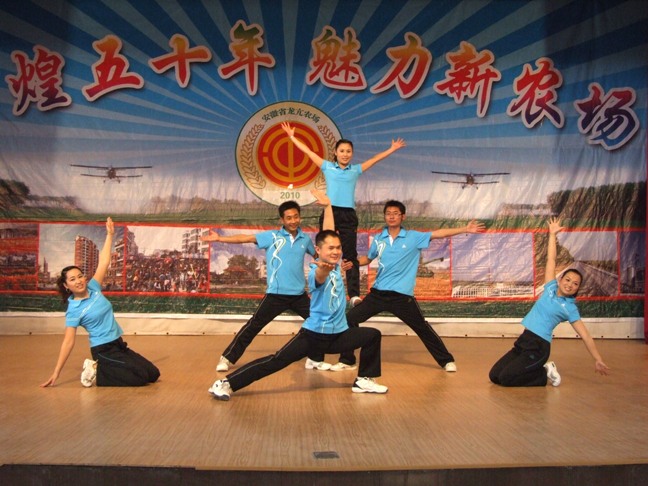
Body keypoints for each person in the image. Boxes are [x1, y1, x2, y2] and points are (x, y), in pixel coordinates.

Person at [208, 193, 388, 400]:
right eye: (331, 248)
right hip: (314, 336)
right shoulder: (317, 271)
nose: (336, 251)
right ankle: (226, 383)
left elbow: (328, 233)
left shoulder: (335, 264)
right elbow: (319, 275)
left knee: (372, 335)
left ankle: (364, 379)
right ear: (318, 251)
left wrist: (328, 206)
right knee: (276, 361)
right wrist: (323, 269)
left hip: (337, 335)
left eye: (338, 248)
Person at [330, 200, 485, 372]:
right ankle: (348, 360)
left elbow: (439, 234)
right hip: (378, 294)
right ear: (385, 216)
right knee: (349, 319)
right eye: (388, 213)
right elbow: (368, 258)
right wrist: (353, 263)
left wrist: (465, 229)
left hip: (402, 297)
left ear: (402, 217)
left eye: (395, 213)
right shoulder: (379, 239)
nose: (391, 216)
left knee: (422, 328)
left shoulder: (413, 237)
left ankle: (446, 360)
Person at [281, 121, 406, 307]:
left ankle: (354, 295)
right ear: (335, 152)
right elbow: (308, 152)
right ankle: (322, 289)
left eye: (348, 151)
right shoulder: (327, 167)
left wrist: (392, 148)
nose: (345, 154)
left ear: (352, 154)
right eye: (342, 151)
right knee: (325, 250)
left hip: (348, 214)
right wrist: (292, 137)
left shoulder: (355, 170)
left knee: (350, 255)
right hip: (329, 212)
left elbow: (374, 160)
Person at [202, 199, 332, 372]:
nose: (293, 221)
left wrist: (327, 262)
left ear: (300, 217)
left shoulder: (305, 240)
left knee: (318, 323)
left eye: (296, 217)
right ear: (282, 220)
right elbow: (245, 238)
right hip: (276, 294)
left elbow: (319, 256)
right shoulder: (272, 236)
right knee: (253, 326)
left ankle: (314, 359)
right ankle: (227, 358)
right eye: (289, 218)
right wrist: (219, 238)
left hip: (299, 295)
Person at [489, 217, 610, 387]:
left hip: (539, 347)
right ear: (560, 280)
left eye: (575, 284)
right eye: (568, 280)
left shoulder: (570, 308)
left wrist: (598, 359)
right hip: (524, 341)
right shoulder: (550, 288)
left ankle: (544, 373)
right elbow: (551, 260)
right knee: (494, 375)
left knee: (506, 378)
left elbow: (585, 336)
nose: (570, 285)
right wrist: (552, 234)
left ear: (577, 288)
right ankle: (536, 370)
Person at [41, 218, 160, 388]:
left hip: (118, 344)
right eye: (73, 279)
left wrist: (110, 234)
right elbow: (68, 342)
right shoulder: (73, 310)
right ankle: (96, 371)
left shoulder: (93, 287)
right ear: (66, 286)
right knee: (140, 378)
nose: (78, 281)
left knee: (153, 374)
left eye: (80, 276)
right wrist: (56, 372)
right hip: (103, 350)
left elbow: (104, 261)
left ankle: (106, 369)